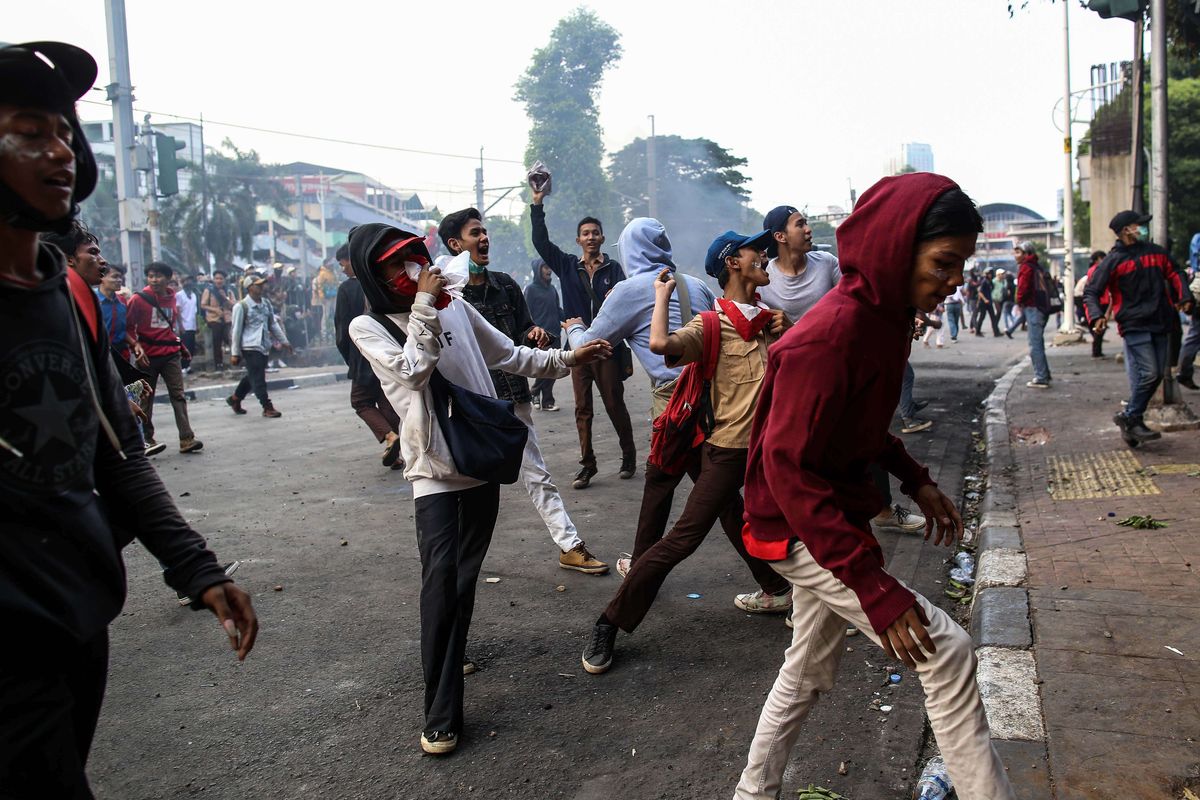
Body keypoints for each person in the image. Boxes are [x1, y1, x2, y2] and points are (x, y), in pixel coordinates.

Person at [0, 40, 258, 798]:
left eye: (61, 132)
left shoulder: (66, 294)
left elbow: (114, 455)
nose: (59, 153)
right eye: (28, 130)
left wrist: (198, 569)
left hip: (76, 622)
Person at [733, 173, 1014, 800]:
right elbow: (788, 466)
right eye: (944, 264)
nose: (954, 281)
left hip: (830, 514)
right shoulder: (829, 337)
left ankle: (753, 793)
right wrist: (871, 583)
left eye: (960, 266)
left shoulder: (886, 321)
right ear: (897, 249)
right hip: (796, 523)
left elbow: (859, 428)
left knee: (804, 672)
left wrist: (916, 480)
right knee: (945, 651)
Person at [347, 223, 611, 755]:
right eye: (399, 265)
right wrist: (424, 307)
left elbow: (509, 356)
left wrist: (567, 359)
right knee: (440, 583)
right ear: (378, 277)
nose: (415, 270)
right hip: (434, 473)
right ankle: (442, 709)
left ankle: (451, 651)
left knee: (463, 580)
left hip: (482, 461)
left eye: (416, 258)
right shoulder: (368, 325)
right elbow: (414, 373)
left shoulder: (455, 308)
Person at [581, 229, 794, 675]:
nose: (766, 257)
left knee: (745, 513)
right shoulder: (701, 306)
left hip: (741, 439)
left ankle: (796, 594)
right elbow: (661, 346)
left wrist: (787, 328)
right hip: (705, 431)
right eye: (757, 251)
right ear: (733, 262)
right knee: (684, 533)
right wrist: (659, 298)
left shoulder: (766, 319)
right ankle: (610, 621)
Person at [445, 208, 609, 575]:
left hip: (512, 399)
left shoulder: (505, 285)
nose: (484, 238)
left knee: (537, 474)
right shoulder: (448, 298)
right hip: (472, 406)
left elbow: (519, 336)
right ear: (456, 245)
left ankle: (570, 545)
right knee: (461, 484)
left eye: (485, 231)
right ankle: (449, 558)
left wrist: (534, 334)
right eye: (476, 233)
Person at [531, 186, 636, 489]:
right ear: (578, 240)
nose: (590, 237)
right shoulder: (567, 265)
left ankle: (628, 455)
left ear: (602, 238)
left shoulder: (614, 270)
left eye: (595, 233)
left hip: (606, 349)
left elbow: (623, 306)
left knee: (614, 403)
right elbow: (540, 241)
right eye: (585, 233)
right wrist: (538, 203)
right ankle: (587, 466)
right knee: (582, 409)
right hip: (577, 350)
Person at [1085, 210, 1194, 445]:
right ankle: (1132, 417)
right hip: (1134, 325)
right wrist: (1096, 317)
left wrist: (1185, 296)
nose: (1142, 228)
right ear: (1126, 230)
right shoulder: (1113, 261)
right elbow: (1092, 292)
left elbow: (1175, 273)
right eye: (1138, 225)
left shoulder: (1156, 253)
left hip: (1161, 321)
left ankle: (1130, 421)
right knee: (1151, 373)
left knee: (1155, 376)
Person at [334, 243, 403, 467]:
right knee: (385, 400)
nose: (342, 268)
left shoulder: (347, 289)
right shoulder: (379, 282)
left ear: (352, 260)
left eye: (343, 262)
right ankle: (397, 452)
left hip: (361, 352)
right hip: (386, 349)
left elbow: (342, 328)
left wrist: (349, 358)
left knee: (361, 401)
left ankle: (391, 437)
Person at [126, 261, 202, 453]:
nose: (154, 280)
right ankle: (147, 439)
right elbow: (126, 327)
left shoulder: (172, 299)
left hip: (170, 355)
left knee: (178, 396)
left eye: (158, 276)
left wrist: (181, 346)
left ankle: (187, 438)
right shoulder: (138, 299)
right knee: (146, 398)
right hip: (147, 357)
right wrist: (136, 347)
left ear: (169, 279)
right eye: (151, 276)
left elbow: (170, 329)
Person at [755, 205, 841, 323]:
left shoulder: (827, 262)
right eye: (800, 225)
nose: (808, 229)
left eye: (806, 223)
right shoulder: (763, 280)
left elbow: (849, 302)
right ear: (780, 236)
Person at [228, 274, 291, 418]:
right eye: (258, 285)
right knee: (259, 377)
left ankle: (235, 398)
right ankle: (267, 406)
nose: (261, 287)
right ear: (250, 288)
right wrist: (235, 353)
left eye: (262, 284)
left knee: (253, 375)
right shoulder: (241, 306)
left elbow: (272, 325)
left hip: (263, 345)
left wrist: (284, 341)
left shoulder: (266, 303)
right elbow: (236, 331)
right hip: (249, 347)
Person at [524, 258, 565, 411]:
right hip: (541, 337)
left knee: (554, 368)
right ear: (538, 270)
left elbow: (558, 310)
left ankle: (546, 400)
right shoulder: (531, 289)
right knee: (545, 368)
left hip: (556, 334)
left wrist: (571, 318)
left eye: (549, 267)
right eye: (545, 267)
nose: (549, 270)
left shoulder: (552, 289)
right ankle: (535, 393)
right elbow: (526, 313)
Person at [1010, 241, 1052, 388]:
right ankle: (1044, 373)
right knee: (1038, 342)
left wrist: (1019, 302)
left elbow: (1022, 288)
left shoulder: (1026, 267)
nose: (1015, 256)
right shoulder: (1036, 266)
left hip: (1033, 308)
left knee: (1035, 344)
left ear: (1026, 254)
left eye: (1018, 252)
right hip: (1040, 308)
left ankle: (1041, 377)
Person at [200, 269, 234, 370]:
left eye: (221, 278)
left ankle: (234, 361)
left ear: (224, 280)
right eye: (217, 278)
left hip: (227, 318)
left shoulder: (228, 290)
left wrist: (225, 298)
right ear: (214, 279)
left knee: (230, 337)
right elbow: (203, 305)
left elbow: (234, 304)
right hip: (214, 319)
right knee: (216, 339)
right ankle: (218, 363)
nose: (219, 281)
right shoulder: (209, 290)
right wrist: (215, 310)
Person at [176, 272, 199, 373]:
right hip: (184, 325)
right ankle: (183, 367)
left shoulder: (193, 295)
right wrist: (180, 326)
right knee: (185, 347)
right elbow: (177, 310)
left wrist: (197, 324)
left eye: (190, 281)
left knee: (191, 347)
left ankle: (188, 366)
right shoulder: (179, 295)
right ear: (182, 282)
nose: (188, 283)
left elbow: (195, 311)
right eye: (186, 281)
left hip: (192, 325)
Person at [312, 260, 339, 341]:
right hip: (326, 298)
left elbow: (335, 282)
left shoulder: (333, 272)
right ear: (325, 264)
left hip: (333, 296)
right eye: (329, 263)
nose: (331, 265)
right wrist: (322, 297)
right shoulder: (322, 273)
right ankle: (324, 333)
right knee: (326, 315)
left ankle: (335, 331)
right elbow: (320, 286)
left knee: (335, 313)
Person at [970, 268, 1000, 336]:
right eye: (989, 273)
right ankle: (978, 332)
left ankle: (996, 332)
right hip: (983, 303)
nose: (991, 275)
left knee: (993, 317)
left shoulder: (990, 282)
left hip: (989, 302)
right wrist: (984, 299)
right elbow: (980, 292)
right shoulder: (984, 281)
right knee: (982, 317)